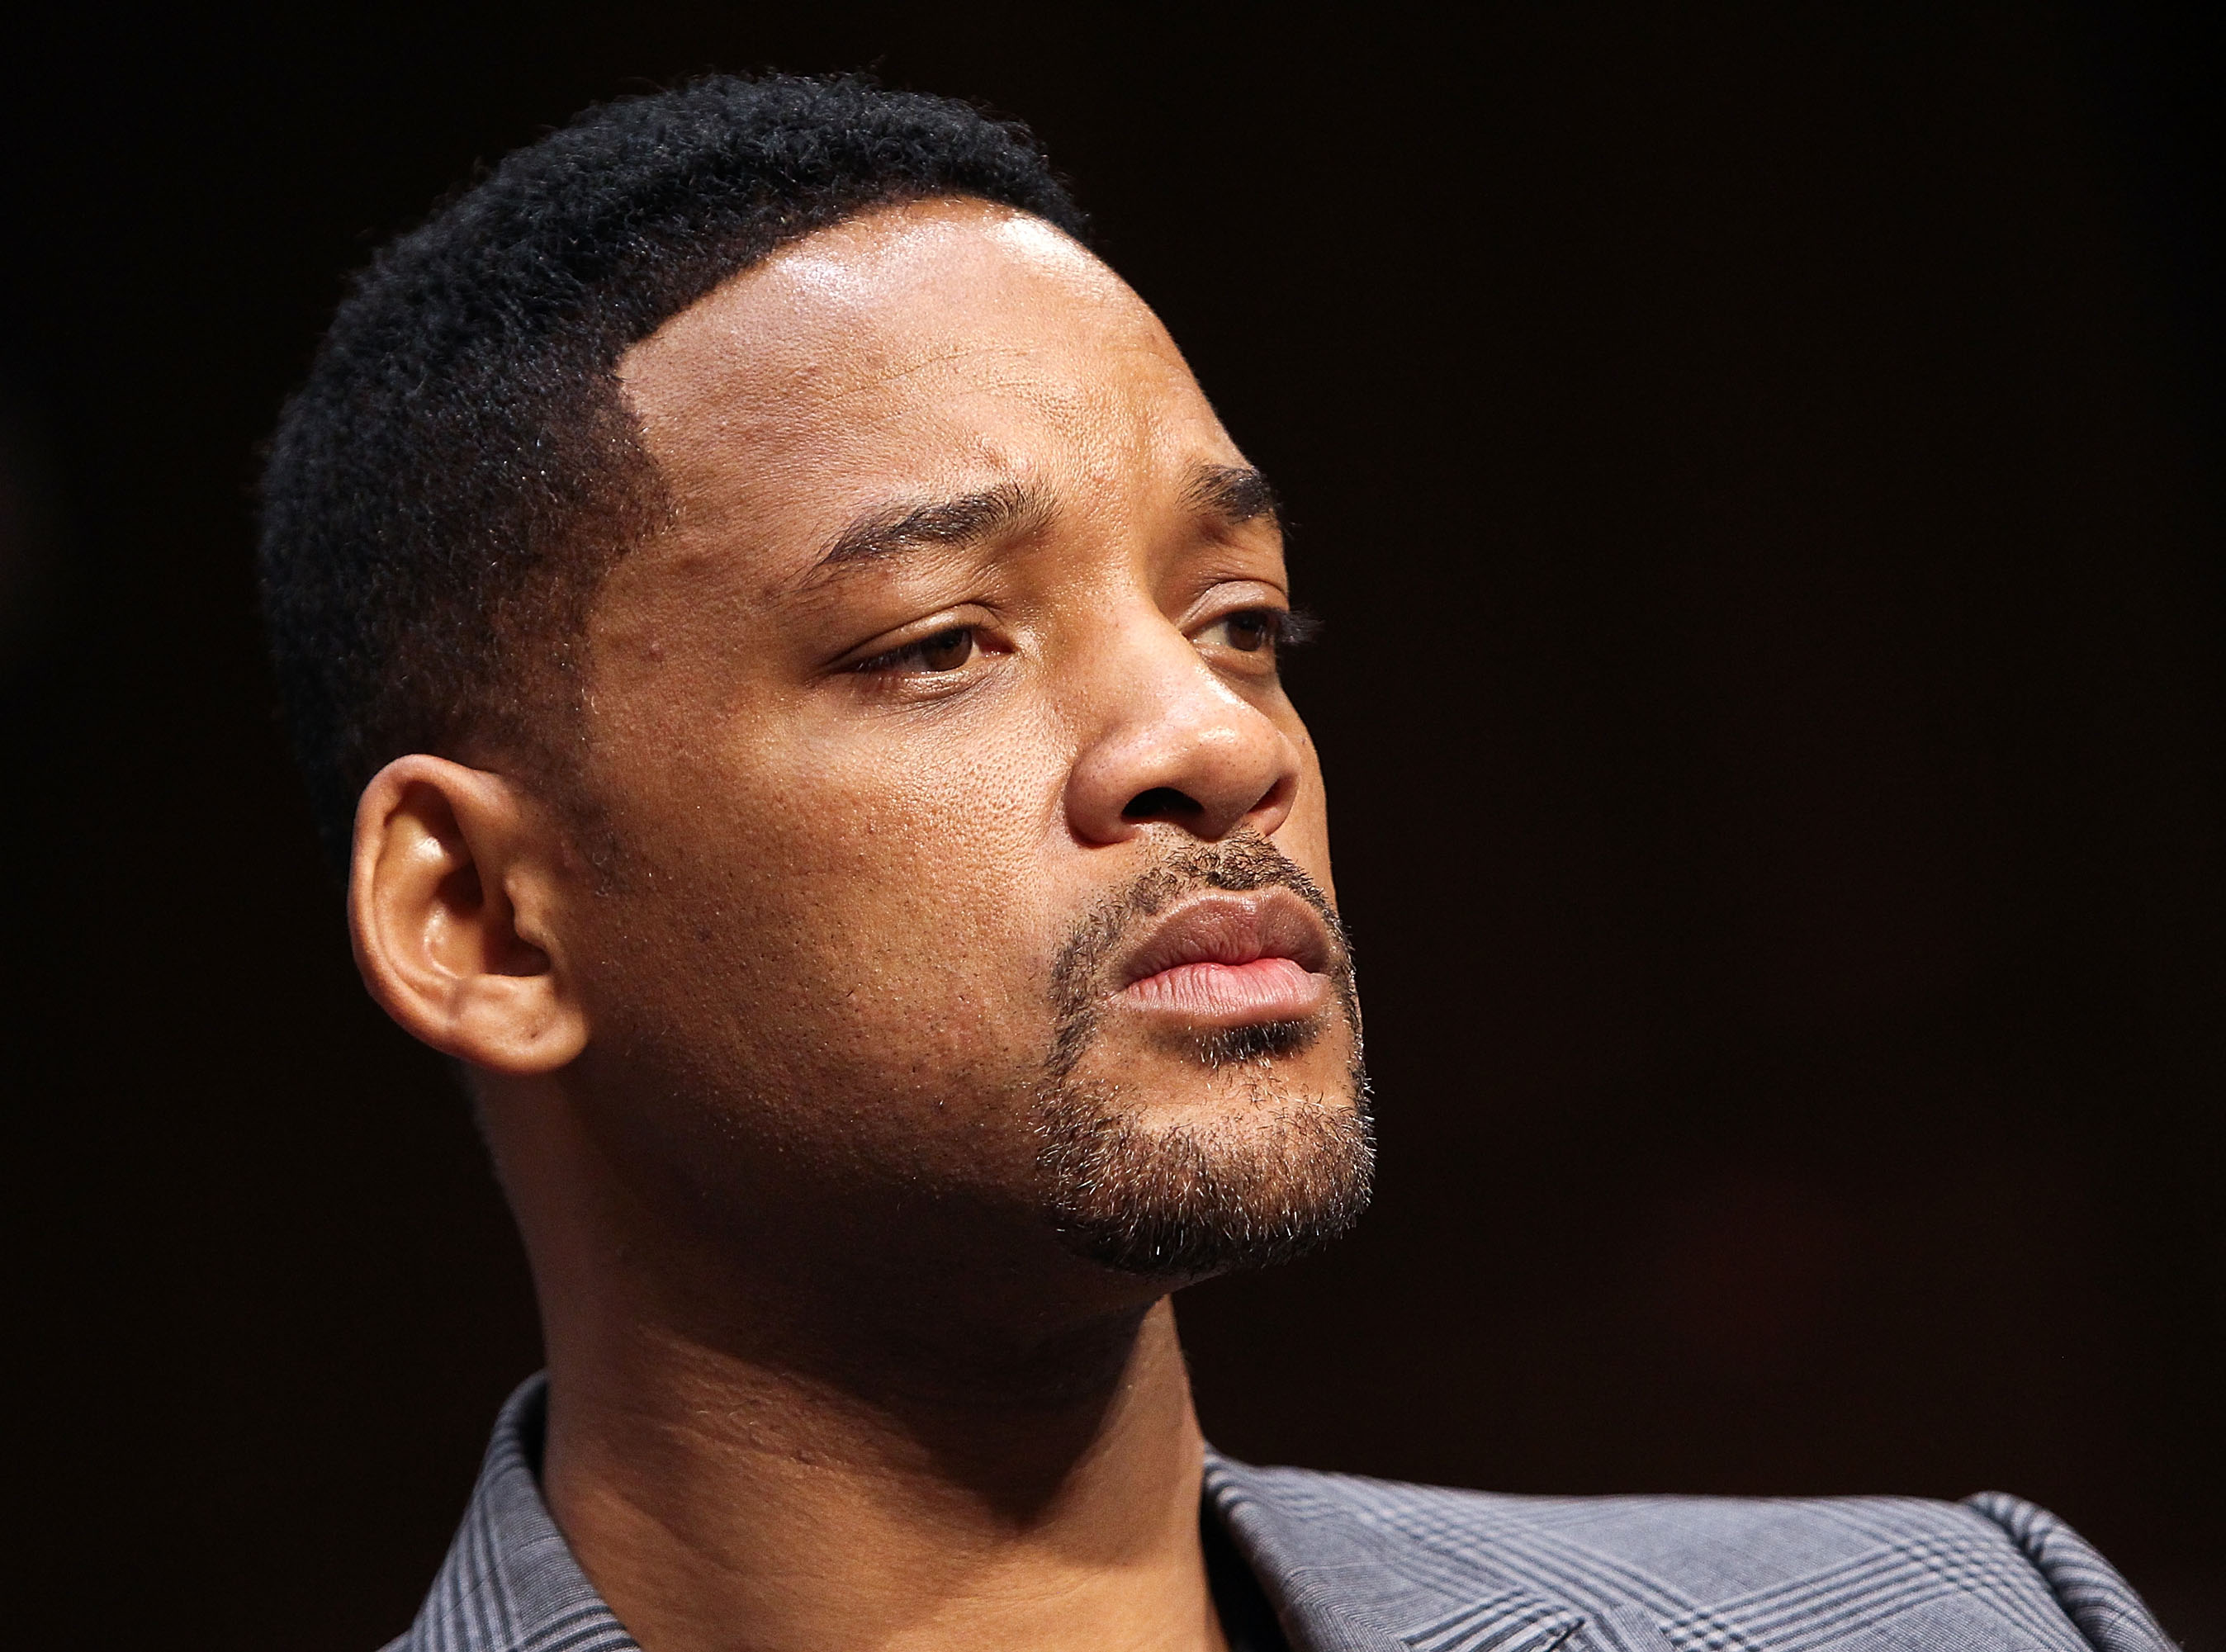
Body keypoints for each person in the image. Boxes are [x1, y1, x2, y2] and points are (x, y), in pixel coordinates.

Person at [258, 74, 2171, 1652]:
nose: (1220, 739)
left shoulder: (1959, 1619)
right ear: (481, 917)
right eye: (943, 641)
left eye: (1240, 615)